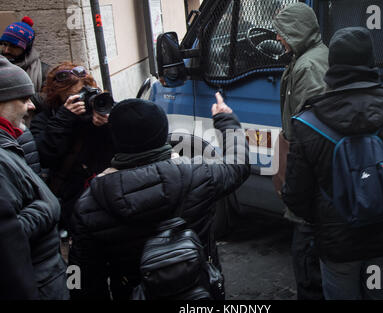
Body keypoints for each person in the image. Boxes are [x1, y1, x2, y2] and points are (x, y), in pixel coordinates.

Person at [282, 27, 383, 300]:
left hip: (337, 246)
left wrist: (325, 218)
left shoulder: (308, 124)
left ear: (332, 65)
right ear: (370, 62)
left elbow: (295, 195)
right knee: (378, 294)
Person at [69, 93, 250, 300]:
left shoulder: (89, 204)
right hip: (200, 292)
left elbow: (79, 279)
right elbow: (238, 164)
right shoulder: (199, 175)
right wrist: (226, 119)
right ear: (163, 133)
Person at [272, 2, 329, 300]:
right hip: (315, 176)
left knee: (306, 255)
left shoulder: (308, 66)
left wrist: (293, 181)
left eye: (283, 32)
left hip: (310, 179)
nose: (279, 39)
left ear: (297, 31)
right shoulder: (310, 56)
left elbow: (309, 133)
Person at [0, 55, 69, 300]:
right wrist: (48, 205)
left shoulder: (13, 138)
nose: (31, 106)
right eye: (23, 98)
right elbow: (8, 233)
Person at [30, 62, 115, 235]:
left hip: (107, 191)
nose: (82, 100)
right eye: (74, 97)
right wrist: (64, 118)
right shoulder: (47, 119)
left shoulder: (101, 110)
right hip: (72, 197)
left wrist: (109, 124)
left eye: (84, 93)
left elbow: (128, 147)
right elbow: (44, 156)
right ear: (57, 96)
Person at [0, 17, 50, 103]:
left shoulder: (44, 71)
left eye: (14, 46)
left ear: (26, 48)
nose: (6, 50)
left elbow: (48, 101)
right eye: (4, 44)